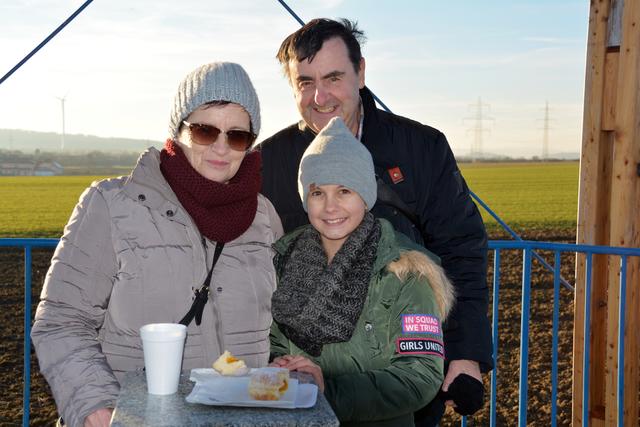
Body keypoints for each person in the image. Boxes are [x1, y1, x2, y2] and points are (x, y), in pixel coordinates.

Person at [258, 18, 492, 425]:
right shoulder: (268, 162)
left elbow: (461, 248)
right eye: (305, 82)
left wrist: (464, 353)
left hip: (398, 379)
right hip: (300, 386)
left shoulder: (421, 148)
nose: (320, 96)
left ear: (361, 72)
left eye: (333, 78)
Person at [31, 62, 283, 427]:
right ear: (178, 130)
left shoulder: (263, 216)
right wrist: (96, 406)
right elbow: (61, 321)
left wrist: (292, 362)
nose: (221, 147)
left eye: (238, 135)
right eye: (204, 130)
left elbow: (279, 322)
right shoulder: (111, 204)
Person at [270, 116, 455, 427]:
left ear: (365, 196)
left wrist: (325, 391)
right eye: (318, 193)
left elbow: (419, 375)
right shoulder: (282, 262)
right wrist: (278, 367)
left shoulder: (405, 272)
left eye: (344, 191)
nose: (330, 207)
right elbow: (272, 342)